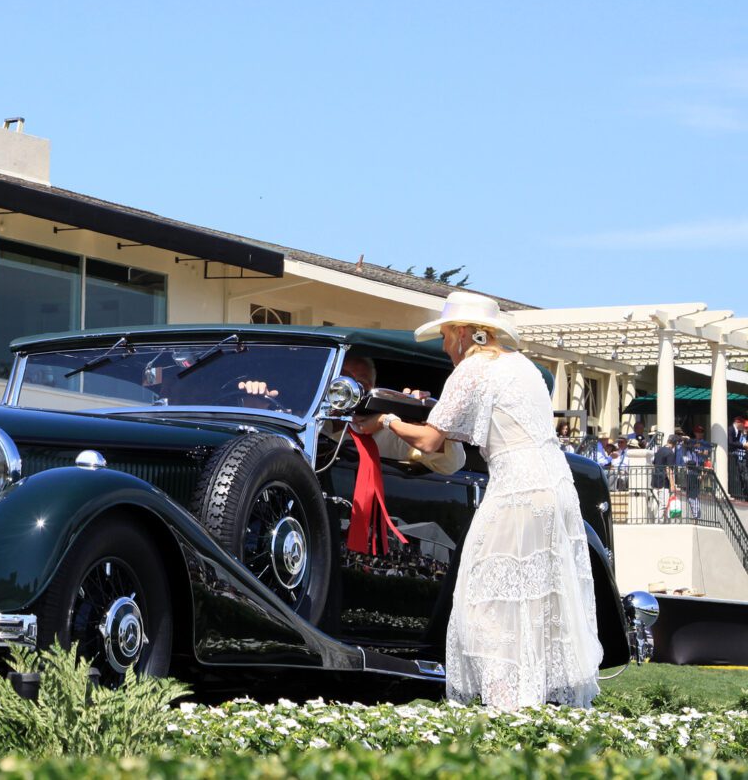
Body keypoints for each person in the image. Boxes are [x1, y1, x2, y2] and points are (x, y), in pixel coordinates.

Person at [368, 291, 601, 710]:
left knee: (485, 603)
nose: (443, 346)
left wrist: (387, 418)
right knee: (538, 599)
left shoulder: (473, 369)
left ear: (461, 333)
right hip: (556, 484)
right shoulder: (521, 364)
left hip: (516, 488)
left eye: (444, 335)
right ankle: (541, 704)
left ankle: (505, 706)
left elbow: (431, 439)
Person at [243, 355, 466, 474]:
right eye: (345, 380)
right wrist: (256, 403)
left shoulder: (393, 433)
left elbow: (450, 464)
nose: (352, 389)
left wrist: (423, 417)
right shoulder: (304, 421)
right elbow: (260, 449)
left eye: (362, 384)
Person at [651, 434, 681, 521]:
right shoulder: (670, 453)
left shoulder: (659, 450)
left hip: (655, 480)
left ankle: (660, 520)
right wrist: (672, 485)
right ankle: (658, 522)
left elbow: (654, 464)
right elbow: (669, 469)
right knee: (663, 504)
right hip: (664, 481)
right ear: (675, 444)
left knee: (658, 503)